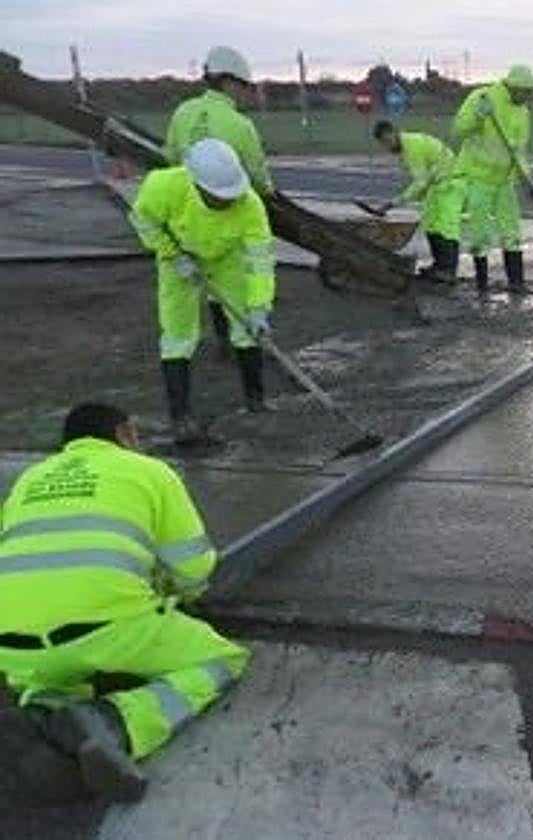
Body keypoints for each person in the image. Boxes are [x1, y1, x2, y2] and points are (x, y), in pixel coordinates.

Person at [0, 403, 249, 803]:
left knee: (45, 676)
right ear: (125, 433)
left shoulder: (29, 479)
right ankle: (114, 723)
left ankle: (45, 714)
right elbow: (194, 568)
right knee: (221, 658)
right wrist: (179, 596)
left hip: (11, 645)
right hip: (110, 630)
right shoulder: (149, 471)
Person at [128, 138, 276, 444]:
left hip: (227, 260)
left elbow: (259, 260)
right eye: (219, 198)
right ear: (197, 183)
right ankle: (180, 416)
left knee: (247, 328)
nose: (227, 202)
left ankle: (256, 400)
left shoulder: (250, 205)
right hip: (179, 260)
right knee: (177, 336)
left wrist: (260, 306)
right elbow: (143, 221)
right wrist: (171, 254)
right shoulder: (163, 186)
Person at [164, 46, 275, 359]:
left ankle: (223, 342)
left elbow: (169, 158)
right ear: (228, 82)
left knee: (207, 277)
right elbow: (257, 176)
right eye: (242, 86)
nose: (243, 93)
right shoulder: (239, 125)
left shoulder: (182, 113)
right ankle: (245, 343)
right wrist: (268, 193)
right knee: (237, 278)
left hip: (186, 216)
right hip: (228, 215)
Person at [452, 64, 533, 294]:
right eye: (525, 92)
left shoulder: (523, 112)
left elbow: (519, 151)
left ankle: (516, 282)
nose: (528, 97)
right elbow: (458, 130)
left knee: (512, 231)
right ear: (512, 86)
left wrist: (526, 179)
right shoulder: (482, 97)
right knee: (479, 234)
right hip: (477, 177)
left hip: (504, 180)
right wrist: (478, 118)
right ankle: (482, 285)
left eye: (531, 92)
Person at [372, 120, 464, 283]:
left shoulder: (411, 146)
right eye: (384, 143)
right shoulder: (405, 148)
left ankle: (449, 270)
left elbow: (420, 183)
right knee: (430, 225)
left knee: (446, 227)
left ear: (395, 132)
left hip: (450, 183)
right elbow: (423, 183)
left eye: (389, 140)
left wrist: (394, 203)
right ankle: (439, 266)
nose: (388, 145)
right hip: (437, 185)